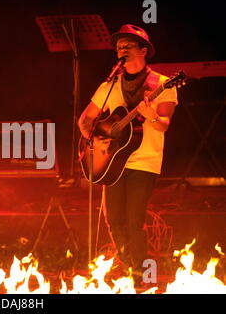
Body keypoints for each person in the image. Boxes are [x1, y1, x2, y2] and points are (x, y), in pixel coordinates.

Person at [78, 25, 178, 276]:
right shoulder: (108, 87)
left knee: (134, 221)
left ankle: (143, 274)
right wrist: (94, 138)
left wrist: (152, 116)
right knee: (113, 221)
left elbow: (164, 125)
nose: (121, 50)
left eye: (128, 46)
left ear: (144, 51)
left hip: (144, 162)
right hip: (111, 161)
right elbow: (85, 121)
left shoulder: (164, 85)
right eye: (119, 47)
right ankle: (128, 267)